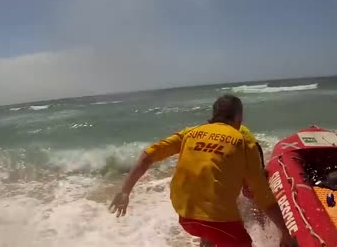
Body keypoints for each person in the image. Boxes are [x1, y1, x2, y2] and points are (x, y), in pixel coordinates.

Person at [109, 94, 295, 247]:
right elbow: (261, 193)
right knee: (231, 234)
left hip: (187, 218)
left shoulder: (190, 132)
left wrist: (125, 191)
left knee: (209, 226)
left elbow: (147, 156)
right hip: (220, 223)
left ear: (214, 115)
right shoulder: (244, 141)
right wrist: (285, 232)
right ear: (239, 118)